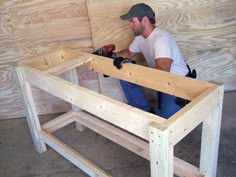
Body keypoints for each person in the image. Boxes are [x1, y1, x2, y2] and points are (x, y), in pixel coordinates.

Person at [114, 3, 190, 119]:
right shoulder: (140, 38)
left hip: (178, 84)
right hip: (163, 80)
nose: (130, 25)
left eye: (132, 21)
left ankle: (182, 104)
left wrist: (133, 68)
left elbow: (163, 71)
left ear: (144, 20)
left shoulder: (161, 39)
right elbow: (129, 53)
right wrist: (112, 55)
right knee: (124, 74)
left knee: (163, 121)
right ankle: (145, 113)